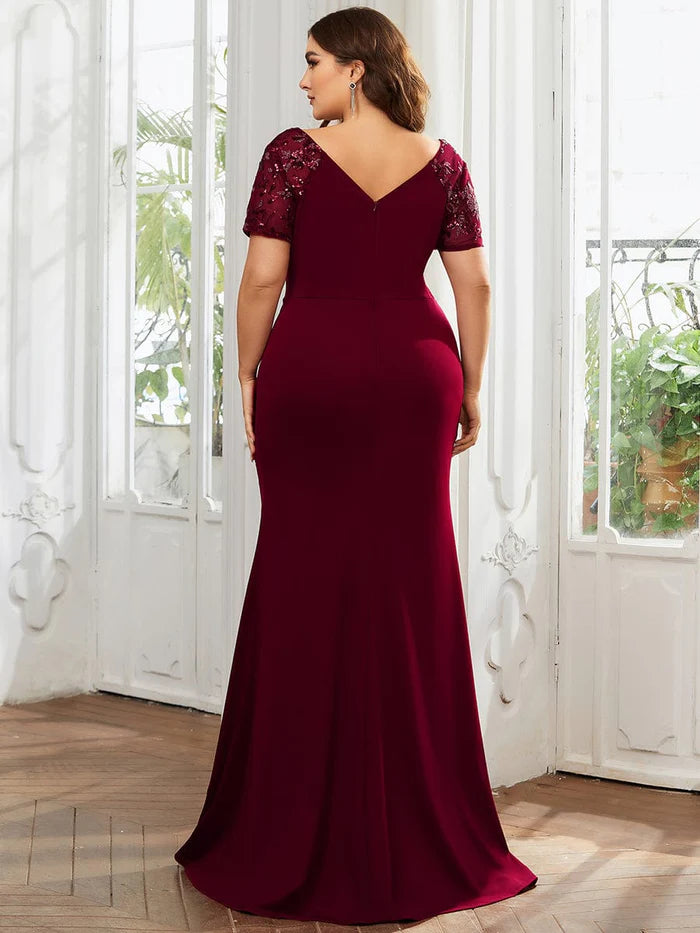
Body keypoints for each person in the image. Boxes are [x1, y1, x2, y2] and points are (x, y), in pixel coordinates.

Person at [174, 6, 538, 924]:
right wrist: (472, 386)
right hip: (418, 373)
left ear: (356, 69)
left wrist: (246, 374)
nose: (303, 80)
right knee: (411, 581)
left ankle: (286, 820)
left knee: (301, 575)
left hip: (314, 373)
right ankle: (422, 821)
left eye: (314, 62)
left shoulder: (293, 157)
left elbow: (262, 280)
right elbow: (475, 283)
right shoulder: (443, 163)